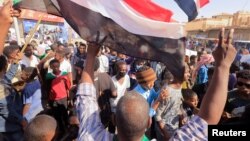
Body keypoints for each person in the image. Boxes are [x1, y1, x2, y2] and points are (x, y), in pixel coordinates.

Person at [76, 28, 236, 141]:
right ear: (148, 123)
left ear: (115, 121)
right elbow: (208, 120)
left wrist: (90, 55)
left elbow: (86, 99)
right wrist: (223, 66)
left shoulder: (91, 136)